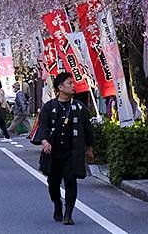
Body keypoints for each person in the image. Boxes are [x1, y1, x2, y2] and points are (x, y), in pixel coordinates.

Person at [33, 72, 94, 226]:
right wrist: (44, 141)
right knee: (53, 184)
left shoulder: (79, 107)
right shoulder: (49, 106)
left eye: (73, 83)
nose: (73, 86)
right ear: (60, 87)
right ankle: (57, 204)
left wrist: (89, 148)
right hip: (53, 152)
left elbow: (87, 129)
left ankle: (68, 213)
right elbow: (43, 126)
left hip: (72, 151)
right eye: (69, 83)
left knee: (71, 181)